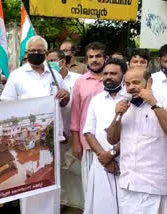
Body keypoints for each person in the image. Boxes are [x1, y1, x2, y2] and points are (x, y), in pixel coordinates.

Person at [1, 35, 70, 214]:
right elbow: (6, 106)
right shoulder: (17, 76)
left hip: (51, 138)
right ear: (26, 53)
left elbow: (65, 102)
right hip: (28, 140)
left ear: (46, 53)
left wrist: (65, 96)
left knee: (51, 180)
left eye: (40, 51)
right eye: (32, 51)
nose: (36, 54)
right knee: (30, 182)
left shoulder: (54, 74)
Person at [107, 68, 167, 214]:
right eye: (127, 84)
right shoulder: (124, 106)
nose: (131, 87)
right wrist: (117, 116)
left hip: (154, 183)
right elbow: (111, 139)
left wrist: (154, 103)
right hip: (128, 182)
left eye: (136, 82)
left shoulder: (163, 101)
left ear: (149, 82)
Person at [83, 58, 128, 214]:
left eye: (114, 74)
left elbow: (135, 133)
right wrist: (104, 157)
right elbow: (88, 131)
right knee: (101, 207)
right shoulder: (96, 100)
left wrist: (112, 154)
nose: (108, 77)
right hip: (101, 163)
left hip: (126, 163)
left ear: (123, 75)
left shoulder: (130, 99)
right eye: (106, 73)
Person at [47, 48, 83, 213]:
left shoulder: (78, 79)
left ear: (62, 62)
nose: (50, 63)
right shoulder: (45, 78)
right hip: (54, 134)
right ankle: (59, 201)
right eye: (48, 60)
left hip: (72, 130)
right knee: (56, 170)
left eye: (53, 59)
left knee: (72, 171)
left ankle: (75, 203)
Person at [70, 42, 106, 200]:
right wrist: (76, 142)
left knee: (109, 187)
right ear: (86, 59)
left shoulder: (113, 78)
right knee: (89, 186)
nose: (94, 60)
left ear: (105, 58)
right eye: (91, 57)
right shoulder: (80, 81)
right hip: (87, 144)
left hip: (109, 142)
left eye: (98, 56)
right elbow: (75, 113)